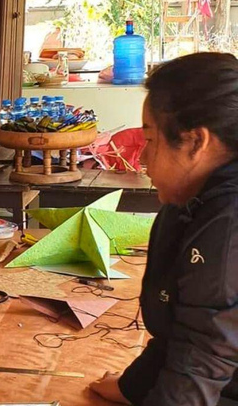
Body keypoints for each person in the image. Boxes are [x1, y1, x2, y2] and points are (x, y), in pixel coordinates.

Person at [90, 52, 238, 406]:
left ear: (195, 142)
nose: (141, 158)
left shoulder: (229, 223)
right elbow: (182, 332)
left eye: (151, 141)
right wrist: (133, 388)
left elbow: (203, 358)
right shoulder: (192, 201)